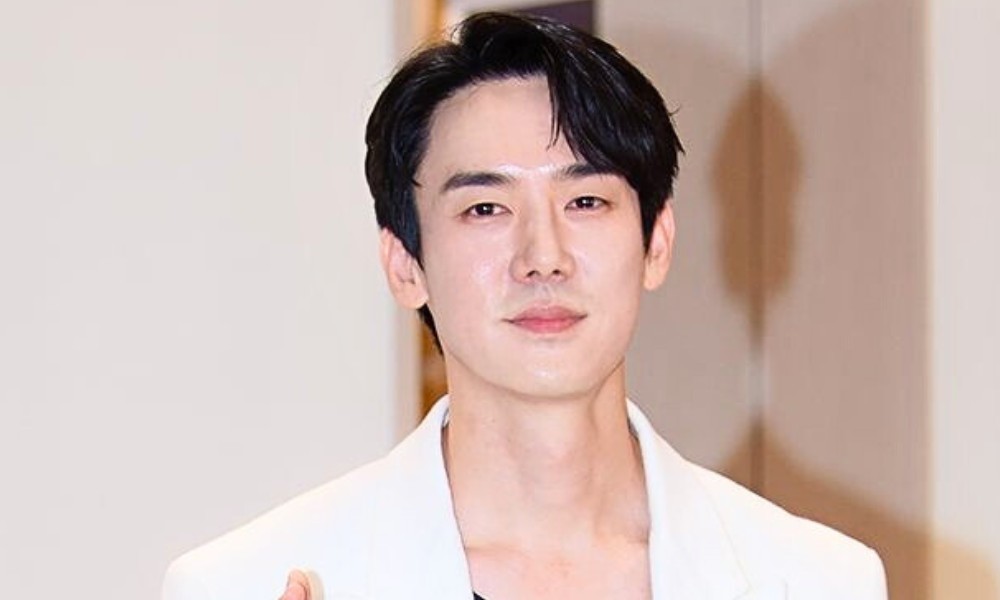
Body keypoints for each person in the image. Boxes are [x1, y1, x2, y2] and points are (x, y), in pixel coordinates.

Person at [163, 12, 887, 600]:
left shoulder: (818, 580)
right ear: (405, 264)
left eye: (586, 201)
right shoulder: (244, 584)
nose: (544, 255)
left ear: (657, 242)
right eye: (485, 208)